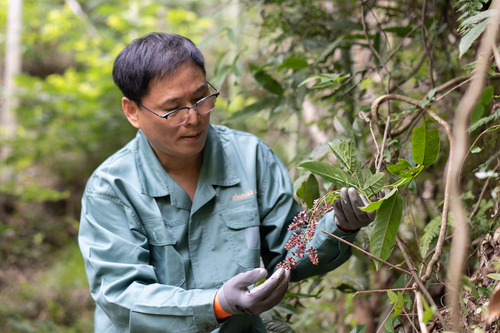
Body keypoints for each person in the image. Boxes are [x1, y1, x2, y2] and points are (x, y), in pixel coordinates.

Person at [78, 32, 376, 333]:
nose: (193, 118)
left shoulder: (250, 157)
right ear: (132, 111)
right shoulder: (111, 189)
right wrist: (217, 305)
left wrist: (338, 226)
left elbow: (288, 252)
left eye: (200, 99)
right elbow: (122, 296)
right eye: (174, 109)